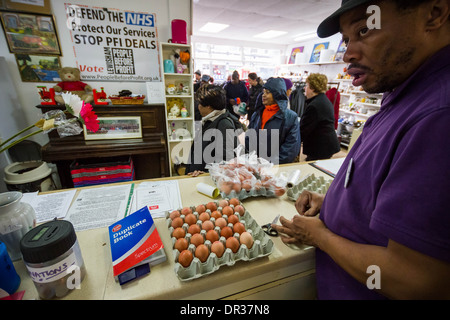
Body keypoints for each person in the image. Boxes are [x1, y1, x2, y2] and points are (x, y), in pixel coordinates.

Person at [271, 0, 450, 300]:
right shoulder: (406, 96)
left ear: (434, 14)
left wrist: (321, 236)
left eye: (365, 28)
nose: (348, 54)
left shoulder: (437, 115)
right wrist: (333, 202)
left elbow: (415, 280)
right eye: (346, 40)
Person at [186, 84, 242, 177]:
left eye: (200, 104)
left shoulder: (224, 125)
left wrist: (208, 174)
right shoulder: (210, 120)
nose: (198, 107)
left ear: (208, 106)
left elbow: (227, 162)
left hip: (210, 183)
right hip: (201, 178)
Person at [246, 77, 300, 164]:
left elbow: (291, 147)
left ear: (277, 94)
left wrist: (271, 164)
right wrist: (252, 159)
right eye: (263, 92)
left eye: (268, 92)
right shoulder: (257, 114)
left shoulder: (290, 117)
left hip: (276, 168)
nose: (263, 95)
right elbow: (249, 136)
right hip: (256, 165)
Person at [300, 73, 340, 161]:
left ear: (313, 88)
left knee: (312, 167)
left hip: (321, 146)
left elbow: (304, 129)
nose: (304, 88)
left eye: (307, 85)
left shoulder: (315, 105)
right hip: (326, 144)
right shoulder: (322, 100)